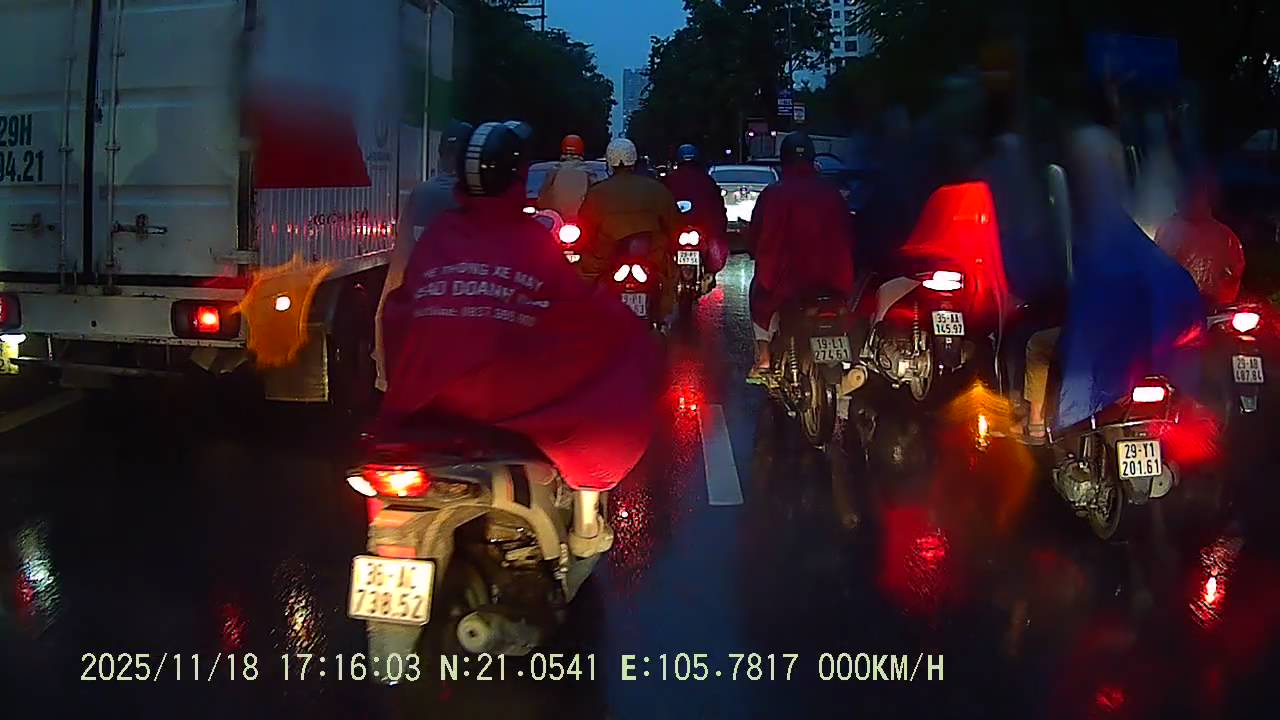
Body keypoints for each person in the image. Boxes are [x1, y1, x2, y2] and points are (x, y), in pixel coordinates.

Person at [378, 121, 664, 492]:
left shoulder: (439, 233)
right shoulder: (533, 237)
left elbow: (401, 308)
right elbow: (583, 311)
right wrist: (632, 340)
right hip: (500, 408)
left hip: (426, 405)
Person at [1017, 91, 1202, 444]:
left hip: (1101, 303)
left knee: (1041, 346)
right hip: (1141, 312)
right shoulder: (1135, 236)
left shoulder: (1082, 227)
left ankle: (1037, 424)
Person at [373, 120, 472, 392]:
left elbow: (400, 265)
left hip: (424, 307)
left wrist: (384, 373)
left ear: (441, 155)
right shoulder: (476, 197)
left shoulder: (422, 194)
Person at [746, 132, 856, 375]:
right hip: (835, 281)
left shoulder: (773, 194)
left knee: (759, 297)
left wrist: (754, 251)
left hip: (787, 282)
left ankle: (764, 359)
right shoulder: (831, 193)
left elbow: (758, 235)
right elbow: (848, 232)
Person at [577, 138, 681, 316]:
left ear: (610, 162)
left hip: (606, 257)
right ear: (634, 160)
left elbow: (585, 229)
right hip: (651, 255)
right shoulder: (656, 189)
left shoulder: (596, 192)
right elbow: (673, 224)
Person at [1154, 167, 1245, 305]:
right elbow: (1159, 268)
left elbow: (1234, 272)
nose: (1191, 201)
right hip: (1178, 305)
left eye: (1195, 195)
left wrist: (1214, 298)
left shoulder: (1225, 236)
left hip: (1213, 308)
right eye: (1187, 195)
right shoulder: (1167, 230)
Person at [662, 143, 730, 284]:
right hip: (700, 230)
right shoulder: (707, 181)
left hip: (678, 229)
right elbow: (718, 209)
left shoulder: (669, 180)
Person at [536, 134, 593, 220]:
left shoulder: (554, 170)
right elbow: (596, 195)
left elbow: (543, 196)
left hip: (557, 218)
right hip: (581, 219)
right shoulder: (588, 172)